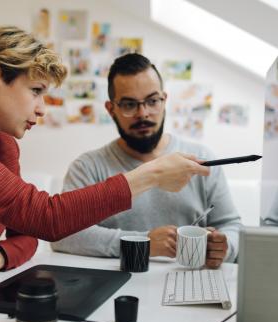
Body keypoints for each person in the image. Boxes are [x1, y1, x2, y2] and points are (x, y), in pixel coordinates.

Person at [0, 28, 209, 288]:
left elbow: (29, 235)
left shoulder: (4, 146)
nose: (41, 108)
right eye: (36, 91)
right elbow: (47, 218)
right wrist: (151, 175)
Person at [52, 53, 242, 268]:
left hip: (191, 283)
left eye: (152, 101)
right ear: (110, 109)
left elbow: (230, 225)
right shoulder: (87, 167)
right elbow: (63, 236)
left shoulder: (201, 160)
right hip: (117, 285)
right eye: (129, 104)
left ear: (164, 100)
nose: (143, 113)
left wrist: (225, 248)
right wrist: (144, 242)